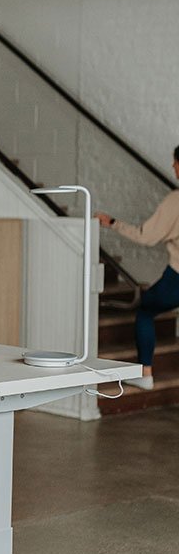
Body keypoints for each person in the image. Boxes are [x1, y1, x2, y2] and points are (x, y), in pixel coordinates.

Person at [98, 147, 179, 389]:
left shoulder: (176, 200)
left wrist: (113, 223)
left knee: (145, 311)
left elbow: (147, 236)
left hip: (177, 279)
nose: (173, 168)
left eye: (175, 163)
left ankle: (145, 374)